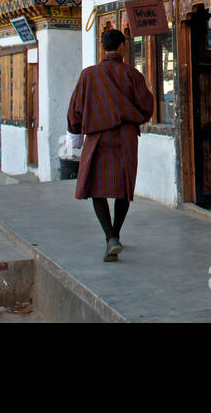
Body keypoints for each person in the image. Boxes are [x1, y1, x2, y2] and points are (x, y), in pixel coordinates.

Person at [67, 29, 154, 261]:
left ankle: (110, 237)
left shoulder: (89, 75)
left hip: (97, 138)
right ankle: (115, 234)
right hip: (125, 137)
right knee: (124, 188)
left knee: (97, 189)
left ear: (102, 47)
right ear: (123, 47)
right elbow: (146, 106)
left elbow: (75, 109)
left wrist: (75, 132)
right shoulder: (132, 74)